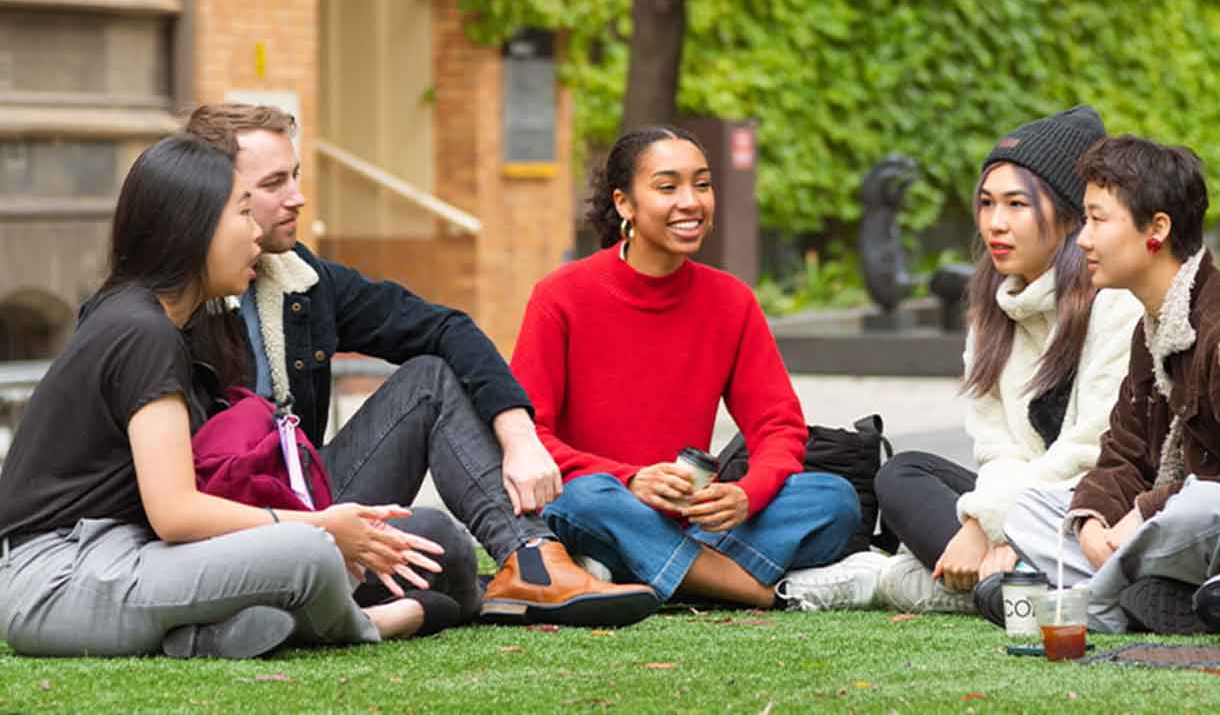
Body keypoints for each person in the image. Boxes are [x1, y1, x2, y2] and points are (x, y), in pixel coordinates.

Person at [184, 104, 658, 627]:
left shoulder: (299, 280)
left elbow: (445, 328)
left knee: (432, 437)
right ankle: (390, 603)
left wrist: (520, 436)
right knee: (436, 543)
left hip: (314, 504)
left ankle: (532, 561)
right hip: (219, 538)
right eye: (274, 183)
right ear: (213, 196)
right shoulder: (165, 307)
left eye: (295, 175)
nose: (297, 196)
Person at [0, 135, 456, 658]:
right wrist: (322, 526)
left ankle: (207, 636)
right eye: (243, 213)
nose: (256, 233)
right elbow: (175, 512)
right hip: (58, 581)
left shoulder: (151, 320)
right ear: (194, 230)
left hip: (120, 559)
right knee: (310, 551)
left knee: (386, 539)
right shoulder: (142, 332)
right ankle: (367, 623)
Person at [509, 125, 861, 611]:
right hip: (603, 505)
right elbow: (530, 437)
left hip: (692, 519)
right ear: (625, 203)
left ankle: (643, 572)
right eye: (667, 186)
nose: (691, 201)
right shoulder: (560, 296)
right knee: (584, 499)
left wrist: (747, 493)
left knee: (834, 498)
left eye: (702, 184)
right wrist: (631, 479)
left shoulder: (731, 301)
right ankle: (745, 586)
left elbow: (778, 426)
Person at [851, 106, 1142, 615]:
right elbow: (995, 448)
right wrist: (989, 525)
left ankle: (957, 585)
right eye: (987, 204)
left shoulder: (1116, 303)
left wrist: (990, 523)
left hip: (1091, 504)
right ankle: (1013, 580)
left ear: (1070, 215)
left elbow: (1090, 452)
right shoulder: (990, 311)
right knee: (901, 474)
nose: (996, 224)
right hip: (1018, 504)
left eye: (1016, 205)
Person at [1004, 135, 1220, 634]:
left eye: (1099, 220)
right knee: (1030, 509)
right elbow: (1120, 454)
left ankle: (1092, 601)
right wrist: (1093, 520)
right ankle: (1160, 594)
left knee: (1201, 507)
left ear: (1157, 230)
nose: (1082, 239)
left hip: (1201, 520)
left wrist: (1145, 512)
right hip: (1169, 541)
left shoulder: (1213, 326)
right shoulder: (1148, 330)